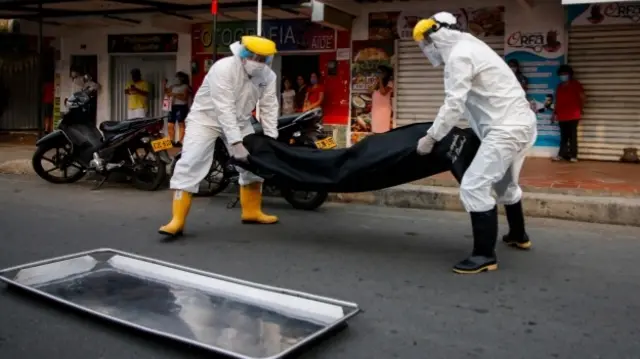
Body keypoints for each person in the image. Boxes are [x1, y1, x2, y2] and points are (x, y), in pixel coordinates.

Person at [412, 12, 537, 274]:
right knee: (504, 183)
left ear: (437, 35)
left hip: (505, 130)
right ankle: (518, 234)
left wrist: (432, 137)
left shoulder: (459, 56)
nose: (426, 50)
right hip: (520, 125)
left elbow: (454, 103)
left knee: (473, 186)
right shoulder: (472, 46)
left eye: (426, 43)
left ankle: (484, 256)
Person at [158, 36, 280, 238]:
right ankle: (177, 220)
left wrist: (271, 137)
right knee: (191, 161)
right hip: (205, 119)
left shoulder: (268, 76)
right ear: (243, 55)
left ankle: (252, 211)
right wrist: (235, 143)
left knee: (254, 162)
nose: (259, 63)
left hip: (240, 121)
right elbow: (224, 109)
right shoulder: (223, 69)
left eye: (264, 59)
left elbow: (269, 107)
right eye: (255, 58)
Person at [552, 64, 585, 163]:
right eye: (561, 74)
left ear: (570, 74)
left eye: (565, 73)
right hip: (562, 115)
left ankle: (573, 156)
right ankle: (561, 155)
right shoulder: (559, 87)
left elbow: (583, 97)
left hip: (573, 115)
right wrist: (555, 113)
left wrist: (580, 108)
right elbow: (557, 101)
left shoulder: (576, 84)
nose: (563, 76)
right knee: (563, 137)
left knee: (572, 136)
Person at [163, 71, 191, 147]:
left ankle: (181, 141)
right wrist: (164, 84)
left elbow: (184, 98)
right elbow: (167, 92)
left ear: (182, 78)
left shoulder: (185, 86)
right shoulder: (173, 86)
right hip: (173, 106)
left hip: (181, 107)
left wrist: (174, 95)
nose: (176, 78)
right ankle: (171, 140)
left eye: (177, 77)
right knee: (170, 124)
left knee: (181, 124)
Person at [371, 65, 394, 133]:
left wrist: (380, 80)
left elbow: (383, 92)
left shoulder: (390, 83)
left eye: (381, 72)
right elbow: (370, 90)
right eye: (378, 72)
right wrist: (377, 81)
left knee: (383, 129)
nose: (379, 74)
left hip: (383, 110)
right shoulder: (378, 83)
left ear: (386, 73)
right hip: (376, 109)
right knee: (375, 129)